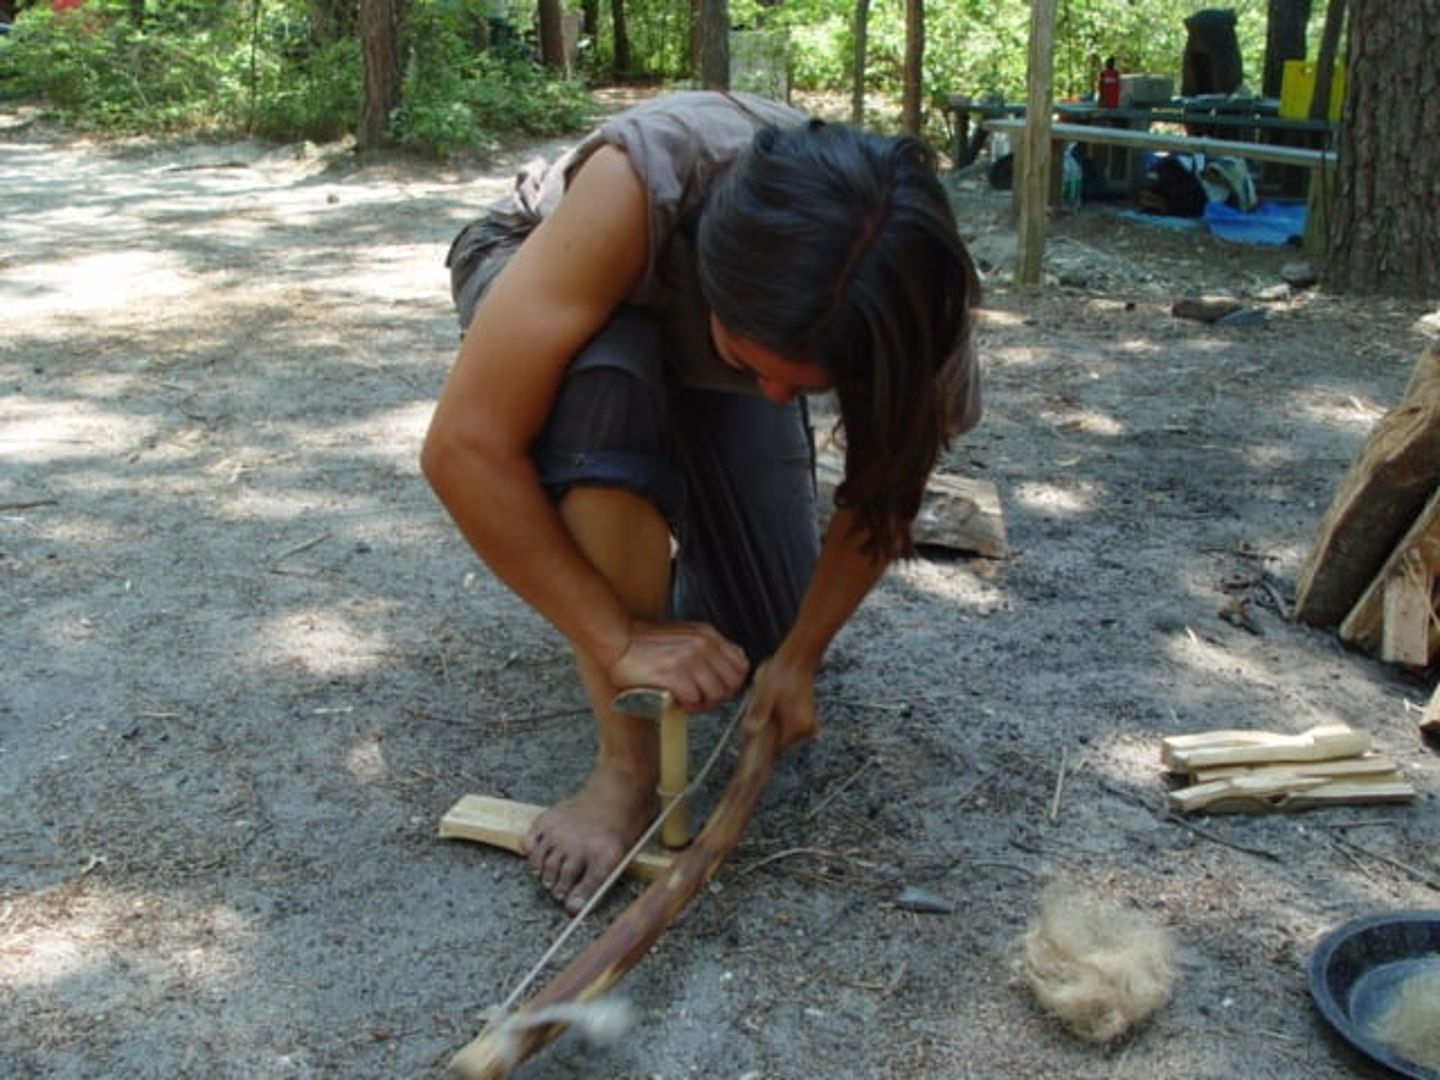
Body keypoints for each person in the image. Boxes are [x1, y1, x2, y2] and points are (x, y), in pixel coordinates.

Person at [423, 91, 982, 914]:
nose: (774, 397)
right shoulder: (640, 182)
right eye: (751, 366)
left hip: (705, 330)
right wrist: (615, 637)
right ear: (711, 283)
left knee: (757, 631)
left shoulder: (911, 306)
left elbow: (882, 493)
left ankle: (636, 562)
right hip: (549, 266)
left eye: (806, 388)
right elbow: (463, 449)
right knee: (609, 373)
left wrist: (798, 658)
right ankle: (623, 772)